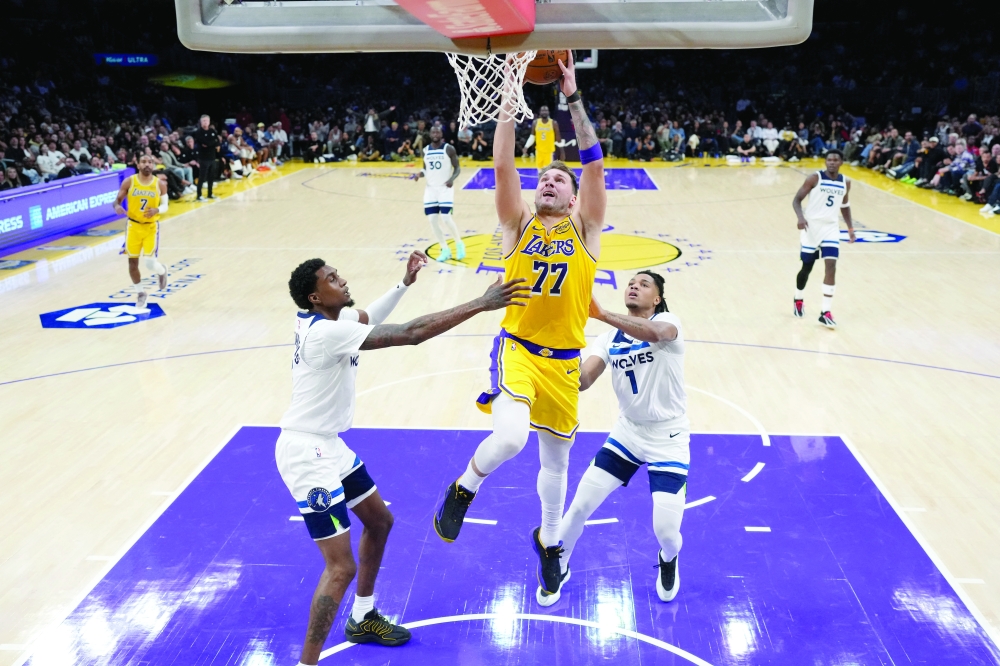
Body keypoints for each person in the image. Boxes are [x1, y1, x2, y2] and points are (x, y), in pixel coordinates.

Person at [278, 253, 527, 665]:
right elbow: (411, 333)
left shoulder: (327, 321)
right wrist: (480, 303)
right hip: (307, 453)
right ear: (315, 296)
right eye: (331, 278)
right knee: (340, 568)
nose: (341, 279)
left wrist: (404, 284)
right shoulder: (325, 334)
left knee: (379, 521)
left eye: (339, 273)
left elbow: (367, 316)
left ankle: (362, 617)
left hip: (329, 445)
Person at [433, 52, 608, 606]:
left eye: (561, 179)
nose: (551, 182)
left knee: (556, 464)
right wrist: (510, 89)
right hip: (518, 350)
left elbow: (595, 164)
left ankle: (550, 543)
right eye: (547, 178)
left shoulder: (588, 231)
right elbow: (505, 165)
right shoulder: (517, 225)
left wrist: (574, 94)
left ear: (576, 198)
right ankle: (464, 487)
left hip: (564, 364)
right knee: (509, 437)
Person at [541, 271, 688, 606]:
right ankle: (559, 567)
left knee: (667, 532)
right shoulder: (608, 339)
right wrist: (553, 356)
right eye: (631, 282)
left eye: (644, 284)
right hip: (628, 433)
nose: (634, 285)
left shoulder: (668, 322)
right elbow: (584, 379)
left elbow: (655, 332)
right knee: (578, 506)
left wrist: (603, 313)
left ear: (657, 299)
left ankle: (668, 557)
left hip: (669, 438)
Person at [792, 150, 855, 328]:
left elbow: (845, 206)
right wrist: (800, 217)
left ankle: (825, 312)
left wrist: (850, 228)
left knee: (831, 265)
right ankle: (798, 297)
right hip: (811, 227)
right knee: (807, 267)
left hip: (830, 229)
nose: (832, 163)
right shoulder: (814, 178)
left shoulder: (846, 182)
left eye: (835, 160)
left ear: (841, 162)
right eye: (829, 160)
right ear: (825, 162)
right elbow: (796, 200)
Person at [113, 154, 169, 310]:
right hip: (133, 227)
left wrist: (157, 209)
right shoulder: (129, 181)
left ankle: (162, 270)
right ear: (138, 164)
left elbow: (166, 206)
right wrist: (117, 206)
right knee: (132, 263)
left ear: (153, 165)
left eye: (150, 162)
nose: (147, 164)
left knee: (150, 264)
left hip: (151, 227)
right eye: (143, 162)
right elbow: (117, 200)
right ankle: (141, 293)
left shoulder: (160, 184)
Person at [415, 126, 464, 262]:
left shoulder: (448, 148)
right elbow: (426, 169)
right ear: (430, 134)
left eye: (438, 132)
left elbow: (457, 168)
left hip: (445, 189)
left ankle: (459, 244)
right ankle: (445, 249)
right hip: (430, 190)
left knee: (446, 218)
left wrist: (452, 179)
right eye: (433, 132)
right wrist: (420, 174)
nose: (435, 134)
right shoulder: (425, 150)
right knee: (432, 221)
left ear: (442, 134)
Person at [191, 115, 220, 201]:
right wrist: (212, 143)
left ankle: (210, 194)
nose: (205, 122)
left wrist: (211, 143)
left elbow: (217, 141)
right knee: (202, 177)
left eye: (206, 120)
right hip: (203, 158)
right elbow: (205, 143)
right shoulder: (198, 132)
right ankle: (199, 195)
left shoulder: (212, 131)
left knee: (211, 177)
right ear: (200, 122)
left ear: (209, 121)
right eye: (203, 121)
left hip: (212, 157)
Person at [525, 105, 561, 171]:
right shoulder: (535, 122)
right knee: (539, 171)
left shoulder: (553, 123)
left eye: (546, 110)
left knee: (548, 171)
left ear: (548, 112)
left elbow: (558, 139)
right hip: (539, 151)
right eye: (542, 110)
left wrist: (561, 150)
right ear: (540, 112)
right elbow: (532, 137)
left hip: (549, 152)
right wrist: (526, 146)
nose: (544, 112)